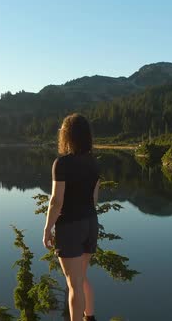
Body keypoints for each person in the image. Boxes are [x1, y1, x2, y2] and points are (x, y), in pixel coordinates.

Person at [43, 113, 99, 321]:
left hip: (70, 227)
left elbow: (56, 201)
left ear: (66, 136)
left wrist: (48, 228)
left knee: (73, 283)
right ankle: (89, 317)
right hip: (90, 223)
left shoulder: (62, 163)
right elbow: (94, 199)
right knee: (82, 278)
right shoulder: (93, 163)